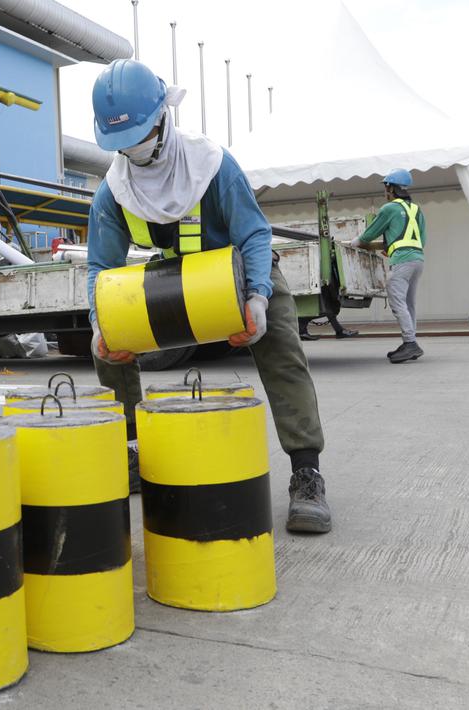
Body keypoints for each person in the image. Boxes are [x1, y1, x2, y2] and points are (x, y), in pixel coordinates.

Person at [86, 59, 330, 534]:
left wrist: (257, 298)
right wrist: (101, 323)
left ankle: (307, 472)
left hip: (241, 276)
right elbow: (102, 268)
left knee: (280, 348)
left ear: (163, 118)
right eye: (122, 143)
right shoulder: (113, 191)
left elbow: (255, 233)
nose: (132, 150)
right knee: (107, 339)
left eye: (138, 135)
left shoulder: (212, 165)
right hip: (183, 284)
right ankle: (133, 450)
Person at [350, 169, 426, 363]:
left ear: (391, 188)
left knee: (397, 301)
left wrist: (353, 243)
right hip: (417, 259)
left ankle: (410, 343)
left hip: (402, 260)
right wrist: (392, 247)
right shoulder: (417, 209)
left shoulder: (389, 208)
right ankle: (410, 341)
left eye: (386, 187)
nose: (385, 191)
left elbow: (369, 234)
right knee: (409, 303)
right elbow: (421, 239)